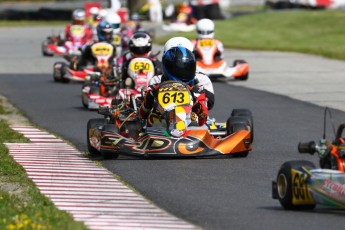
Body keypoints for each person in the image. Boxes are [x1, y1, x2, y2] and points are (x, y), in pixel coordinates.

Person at [140, 46, 209, 126]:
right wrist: (149, 100)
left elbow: (203, 119)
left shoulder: (196, 91)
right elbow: (142, 115)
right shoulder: (154, 89)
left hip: (189, 132)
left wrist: (196, 103)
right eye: (180, 68)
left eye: (187, 68)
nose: (184, 72)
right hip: (159, 131)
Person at [150, 36, 215, 111]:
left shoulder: (201, 78)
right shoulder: (156, 80)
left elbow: (210, 102)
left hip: (193, 117)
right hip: (163, 117)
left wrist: (196, 93)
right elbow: (148, 105)